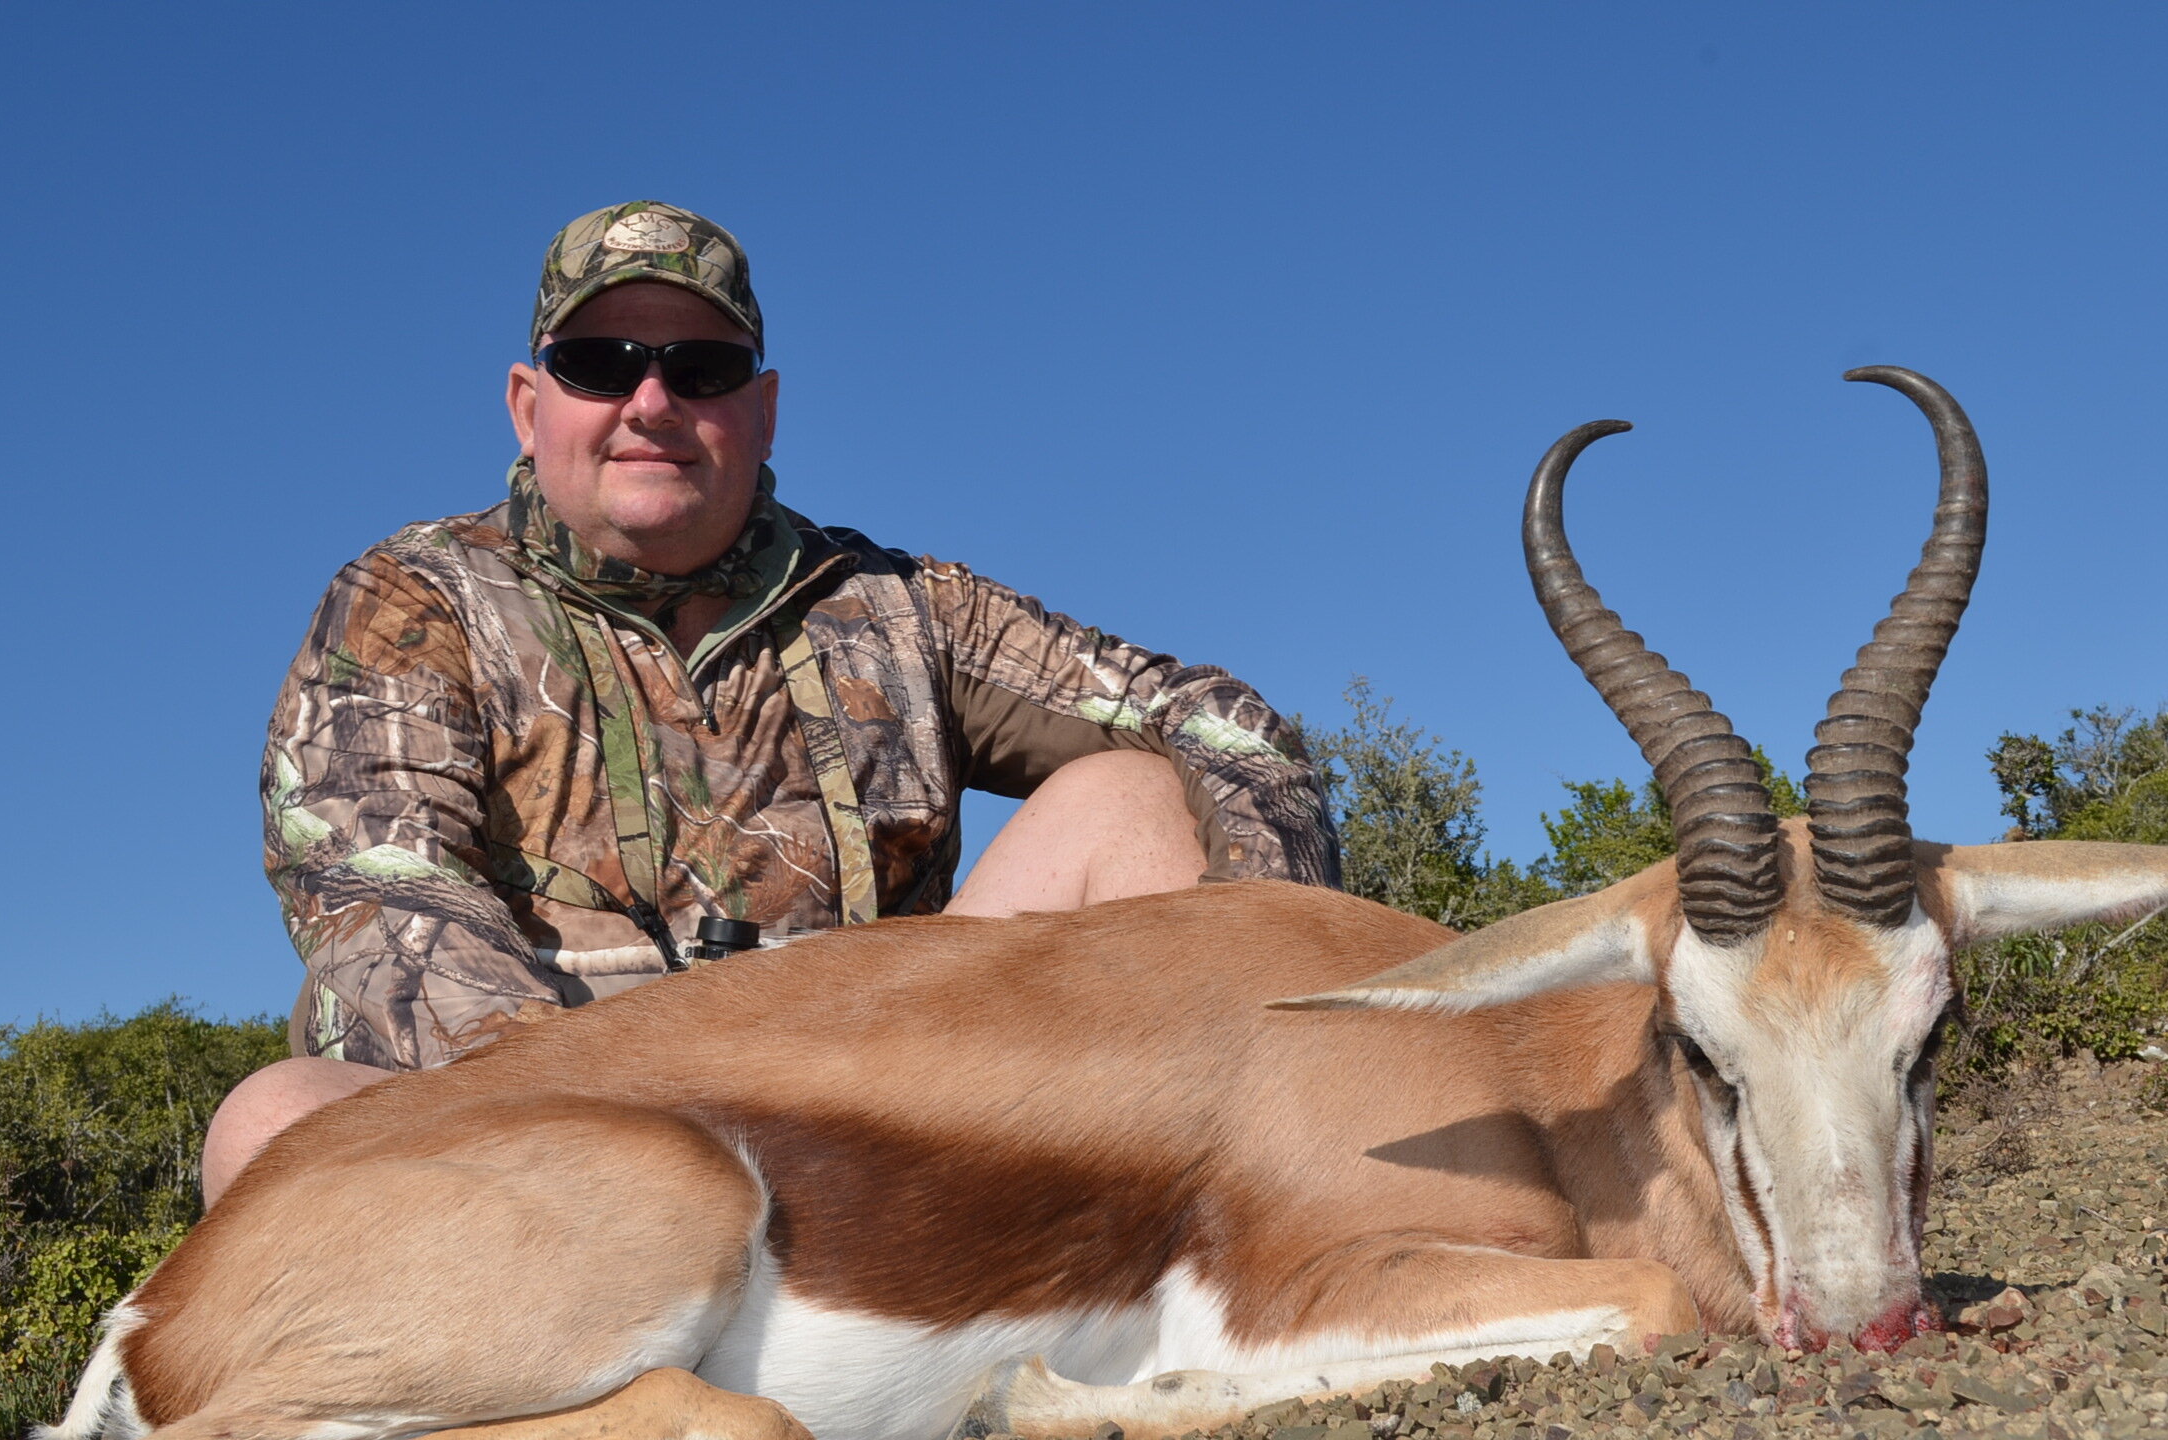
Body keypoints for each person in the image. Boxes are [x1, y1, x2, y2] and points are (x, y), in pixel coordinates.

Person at [206, 200, 1339, 1204]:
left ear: (764, 408)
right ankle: (548, 1394)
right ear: (526, 403)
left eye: (700, 369)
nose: (651, 401)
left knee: (1133, 802)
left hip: (871, 1113)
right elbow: (373, 887)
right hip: (541, 1144)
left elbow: (1210, 715)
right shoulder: (410, 600)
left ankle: (1223, 1242)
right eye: (602, 362)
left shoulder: (898, 607)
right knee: (274, 1126)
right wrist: (610, 1116)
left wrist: (1276, 947)